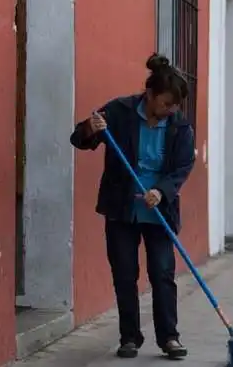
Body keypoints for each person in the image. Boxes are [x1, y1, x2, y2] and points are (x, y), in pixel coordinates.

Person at [69, 54, 194, 359]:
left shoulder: (178, 125)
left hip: (159, 210)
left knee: (162, 273)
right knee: (125, 273)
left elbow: (182, 165)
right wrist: (91, 127)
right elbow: (79, 139)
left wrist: (161, 191)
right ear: (149, 95)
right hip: (121, 206)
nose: (170, 110)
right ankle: (130, 337)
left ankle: (169, 337)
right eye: (165, 103)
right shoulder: (119, 111)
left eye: (175, 105)